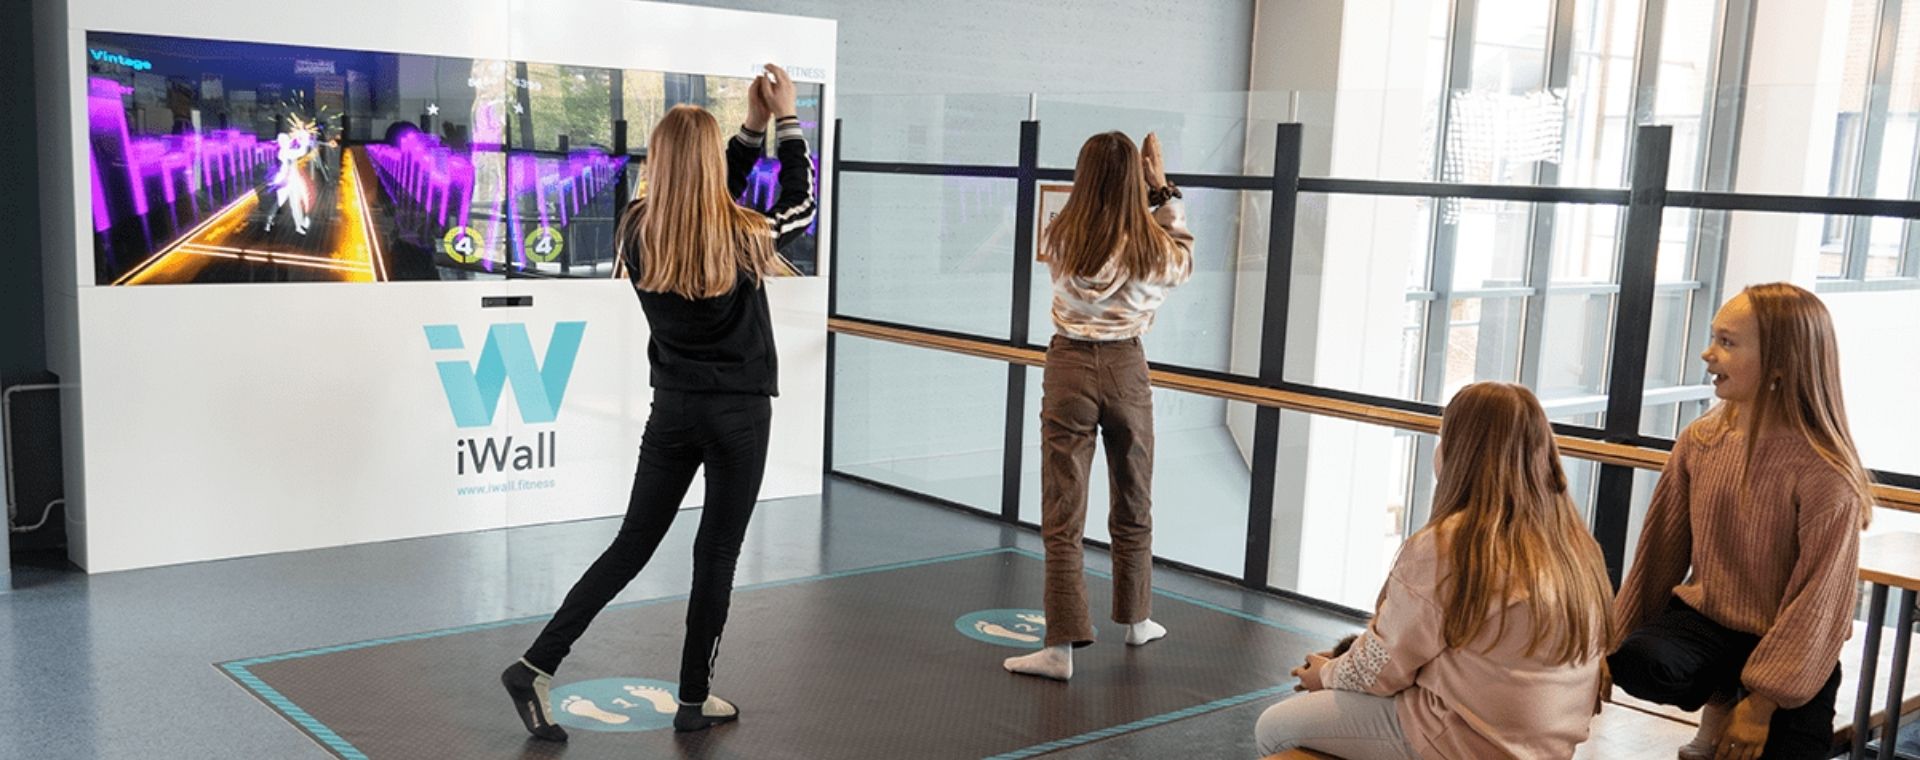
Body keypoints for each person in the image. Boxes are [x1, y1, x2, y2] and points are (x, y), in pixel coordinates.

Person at [499, 63, 815, 740]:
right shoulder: (743, 237)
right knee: (717, 554)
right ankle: (694, 700)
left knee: (630, 546)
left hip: (671, 410)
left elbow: (701, 201)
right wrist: (784, 123)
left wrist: (752, 127)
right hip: (738, 414)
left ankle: (537, 663)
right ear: (708, 166)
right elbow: (802, 205)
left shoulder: (635, 227)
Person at [1255, 382, 1614, 759]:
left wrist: (1323, 676)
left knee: (1276, 727)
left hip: (1462, 739)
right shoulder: (1575, 546)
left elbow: (1381, 668)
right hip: (1546, 746)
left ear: (1460, 452)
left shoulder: (1452, 545)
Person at [1610, 283, 1874, 760]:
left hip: (1792, 640)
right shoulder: (1702, 439)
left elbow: (1818, 601)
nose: (1708, 354)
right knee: (1637, 662)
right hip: (1707, 623)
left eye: (1727, 343)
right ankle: (1721, 697)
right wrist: (1610, 652)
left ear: (1780, 362)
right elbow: (1659, 554)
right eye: (1714, 338)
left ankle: (1735, 702)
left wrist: (1763, 702)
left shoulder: (1825, 471)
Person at [1002, 130, 1194, 681]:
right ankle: (1135, 620)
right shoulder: (1154, 248)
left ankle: (1060, 646)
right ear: (1136, 178)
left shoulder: (1061, 235)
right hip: (1128, 366)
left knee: (1064, 506)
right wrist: (1162, 192)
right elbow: (1183, 260)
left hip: (1068, 366)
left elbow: (1088, 263)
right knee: (1134, 494)